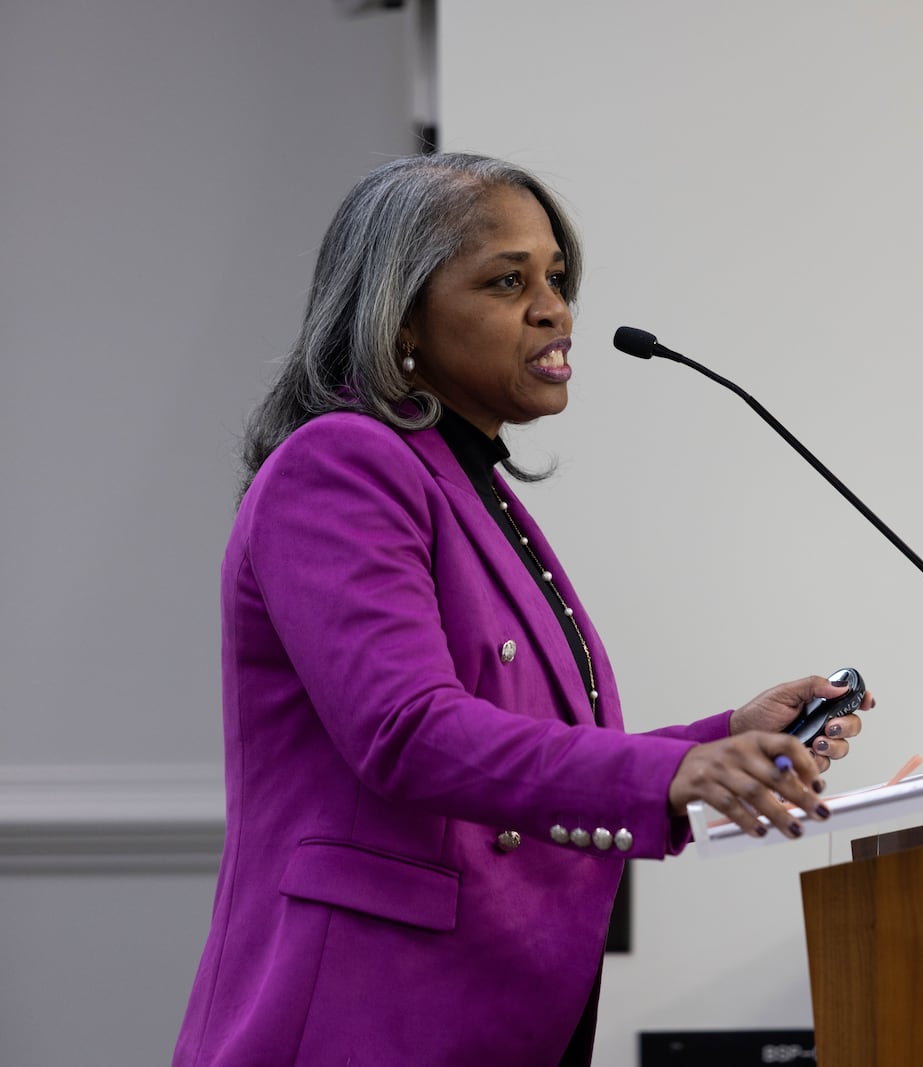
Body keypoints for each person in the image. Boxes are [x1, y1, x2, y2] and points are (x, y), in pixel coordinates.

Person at [172, 153, 869, 1066]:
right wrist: (674, 774)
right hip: (365, 1013)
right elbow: (409, 730)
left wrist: (720, 737)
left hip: (484, 1012)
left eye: (557, 278)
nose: (554, 309)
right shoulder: (340, 464)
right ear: (403, 316)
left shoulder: (468, 489)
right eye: (508, 281)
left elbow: (521, 737)